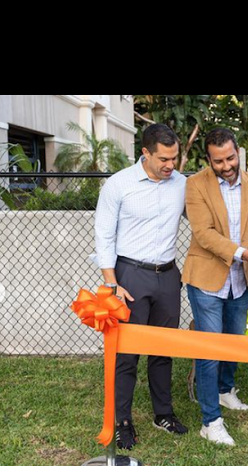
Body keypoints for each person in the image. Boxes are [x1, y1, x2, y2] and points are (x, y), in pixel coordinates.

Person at [94, 123, 188, 449]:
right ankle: (123, 420)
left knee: (164, 350)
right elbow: (103, 236)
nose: (170, 165)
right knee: (127, 354)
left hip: (168, 276)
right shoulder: (118, 185)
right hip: (130, 276)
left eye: (174, 158)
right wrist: (112, 283)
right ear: (145, 153)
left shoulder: (182, 184)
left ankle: (163, 413)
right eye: (163, 158)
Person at [183, 128, 248, 446]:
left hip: (240, 282)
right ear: (208, 159)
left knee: (234, 342)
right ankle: (210, 421)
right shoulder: (195, 185)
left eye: (231, 158)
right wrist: (245, 254)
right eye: (218, 161)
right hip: (205, 279)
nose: (226, 166)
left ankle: (225, 391)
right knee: (210, 351)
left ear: (239, 152)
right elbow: (204, 233)